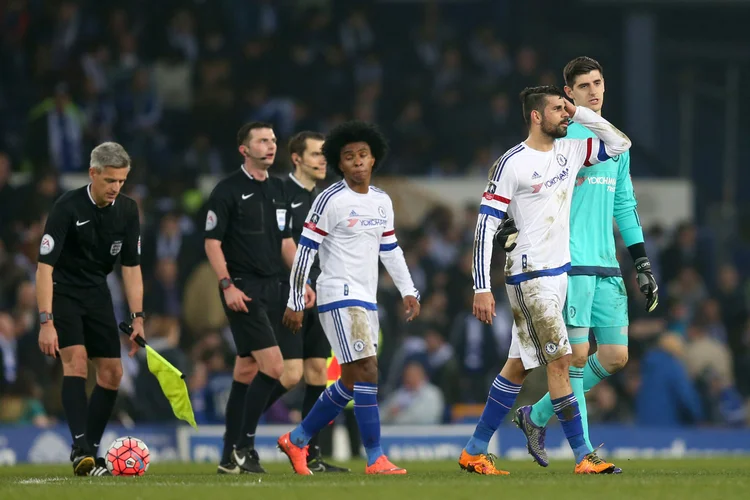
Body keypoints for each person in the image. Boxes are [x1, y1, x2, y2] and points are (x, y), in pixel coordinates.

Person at [459, 86, 631, 476]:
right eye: (558, 108)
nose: (565, 114)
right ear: (536, 116)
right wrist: (481, 286)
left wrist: (581, 113)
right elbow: (485, 226)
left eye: (565, 108)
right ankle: (584, 455)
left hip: (559, 274)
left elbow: (619, 143)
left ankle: (473, 449)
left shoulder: (571, 152)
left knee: (517, 366)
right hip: (529, 275)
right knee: (562, 360)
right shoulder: (512, 164)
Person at [514, 57, 659, 472]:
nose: (593, 91)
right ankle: (586, 453)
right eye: (583, 86)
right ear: (569, 95)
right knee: (576, 357)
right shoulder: (562, 140)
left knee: (614, 356)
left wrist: (642, 262)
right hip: (569, 263)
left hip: (607, 265)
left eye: (598, 82)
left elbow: (624, 206)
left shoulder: (614, 145)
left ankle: (536, 416)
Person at [276, 121, 421, 475]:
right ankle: (375, 458)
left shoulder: (381, 201)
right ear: (339, 164)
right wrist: (296, 299)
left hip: (366, 297)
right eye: (348, 157)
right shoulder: (330, 200)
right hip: (338, 293)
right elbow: (305, 251)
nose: (357, 162)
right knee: (366, 370)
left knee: (355, 379)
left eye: (363, 155)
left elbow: (390, 250)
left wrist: (408, 289)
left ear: (373, 160)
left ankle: (297, 440)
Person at [204, 122, 312, 474]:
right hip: (242, 288)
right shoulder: (227, 190)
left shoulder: (278, 190)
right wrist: (226, 285)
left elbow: (285, 243)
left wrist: (302, 280)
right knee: (275, 367)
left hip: (275, 286)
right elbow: (212, 242)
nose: (270, 146)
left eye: (273, 140)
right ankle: (244, 447)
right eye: (262, 141)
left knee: (247, 370)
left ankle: (227, 455)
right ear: (244, 149)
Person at [36, 142, 144, 477]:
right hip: (64, 292)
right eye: (110, 180)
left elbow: (131, 266)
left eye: (122, 181)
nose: (116, 188)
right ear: (92, 173)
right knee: (77, 362)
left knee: (113, 374)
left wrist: (138, 317)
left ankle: (89, 452)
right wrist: (46, 321)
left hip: (98, 292)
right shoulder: (67, 206)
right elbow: (44, 267)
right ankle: (81, 449)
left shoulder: (127, 210)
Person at [261, 131, 348, 472]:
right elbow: (280, 245)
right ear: (296, 158)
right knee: (291, 373)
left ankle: (310, 453)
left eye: (324, 155)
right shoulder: (282, 195)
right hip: (290, 294)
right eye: (315, 154)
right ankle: (242, 430)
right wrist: (299, 287)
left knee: (316, 373)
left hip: (321, 294)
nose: (322, 160)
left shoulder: (328, 198)